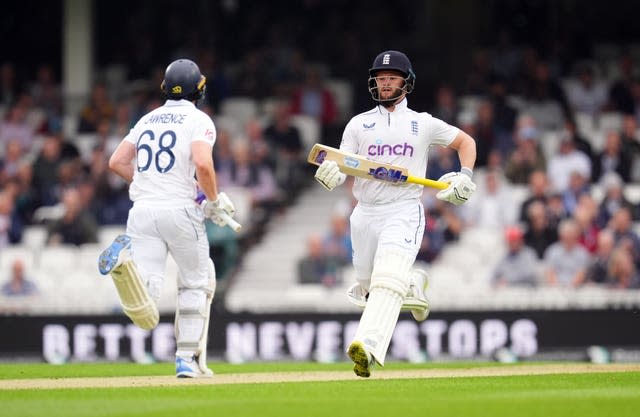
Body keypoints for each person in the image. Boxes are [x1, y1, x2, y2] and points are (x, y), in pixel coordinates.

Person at [314, 50, 477, 377]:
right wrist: (330, 174)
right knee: (370, 288)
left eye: (391, 78)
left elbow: (466, 142)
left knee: (388, 278)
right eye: (380, 78)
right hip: (365, 213)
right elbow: (341, 164)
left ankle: (367, 346)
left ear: (406, 81)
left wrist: (466, 175)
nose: (385, 84)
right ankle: (414, 284)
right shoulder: (358, 124)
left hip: (402, 210)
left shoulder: (423, 123)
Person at [96, 59, 239, 378]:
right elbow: (203, 164)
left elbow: (117, 161)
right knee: (196, 282)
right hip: (180, 210)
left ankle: (124, 268)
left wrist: (148, 185)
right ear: (198, 89)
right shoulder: (200, 120)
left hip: (142, 212)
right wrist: (213, 201)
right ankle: (186, 359)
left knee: (146, 302)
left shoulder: (147, 119)